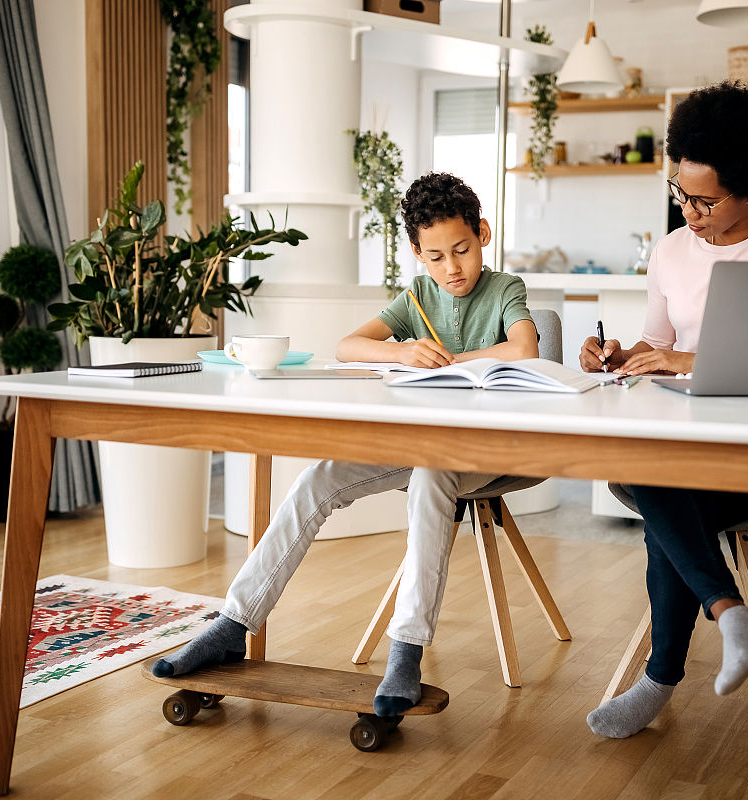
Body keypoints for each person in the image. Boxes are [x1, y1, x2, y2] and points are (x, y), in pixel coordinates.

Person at [154, 172, 539, 717]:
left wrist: (453, 361)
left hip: (486, 455)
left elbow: (524, 349)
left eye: (462, 250)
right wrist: (404, 353)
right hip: (417, 444)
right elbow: (348, 345)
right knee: (318, 477)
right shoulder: (418, 297)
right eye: (434, 257)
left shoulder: (504, 289)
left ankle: (405, 651)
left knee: (432, 477)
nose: (451, 268)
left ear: (483, 234)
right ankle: (233, 623)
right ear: (416, 253)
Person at [579, 81, 748, 739]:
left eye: (704, 200)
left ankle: (661, 678)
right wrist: (616, 353)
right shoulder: (671, 252)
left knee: (663, 491)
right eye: (680, 195)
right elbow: (657, 346)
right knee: (658, 472)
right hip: (687, 449)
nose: (687, 212)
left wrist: (690, 361)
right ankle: (731, 616)